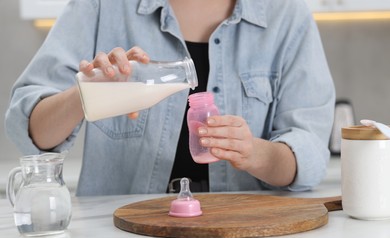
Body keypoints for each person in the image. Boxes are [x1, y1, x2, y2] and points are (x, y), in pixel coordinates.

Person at [5, 0, 335, 196]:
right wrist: (85, 94)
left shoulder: (285, 14)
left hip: (242, 235)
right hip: (120, 237)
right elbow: (30, 130)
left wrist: (256, 153)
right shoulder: (104, 6)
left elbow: (309, 149)